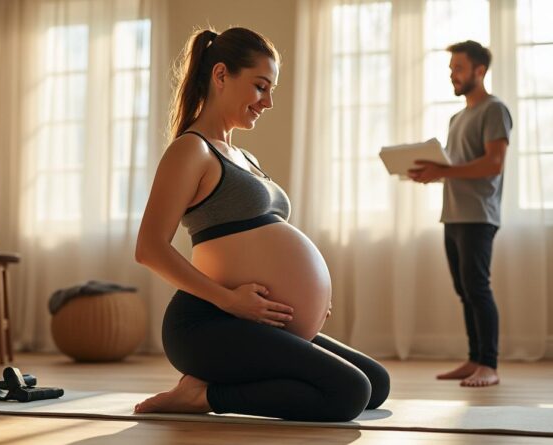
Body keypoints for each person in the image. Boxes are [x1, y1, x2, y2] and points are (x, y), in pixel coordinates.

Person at [133, 27, 389, 421]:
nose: (268, 102)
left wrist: (311, 297)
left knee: (377, 382)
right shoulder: (191, 149)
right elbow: (149, 248)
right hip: (207, 323)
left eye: (272, 90)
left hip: (252, 320)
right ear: (221, 75)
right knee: (350, 392)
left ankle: (207, 388)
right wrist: (229, 299)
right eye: (260, 86)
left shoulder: (244, 156)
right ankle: (203, 397)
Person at [407, 40, 512, 388]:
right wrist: (430, 172)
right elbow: (458, 166)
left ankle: (490, 365)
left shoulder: (494, 110)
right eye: (451, 68)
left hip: (479, 216)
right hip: (453, 215)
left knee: (478, 288)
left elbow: (493, 164)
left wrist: (443, 172)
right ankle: (474, 358)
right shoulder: (457, 117)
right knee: (465, 289)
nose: (452, 74)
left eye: (459, 68)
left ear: (479, 71)